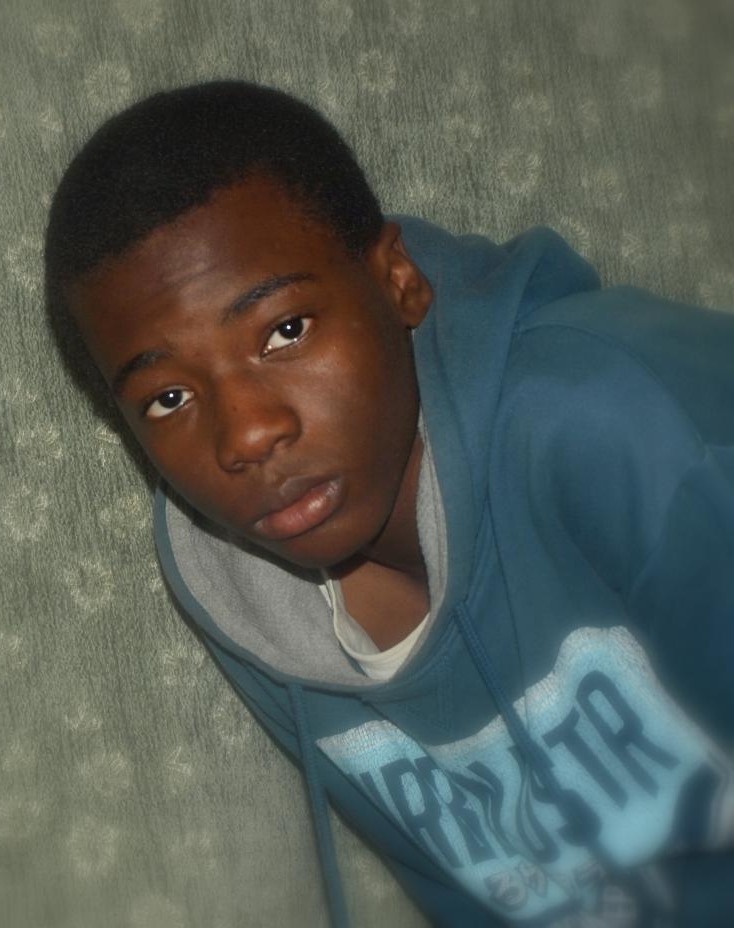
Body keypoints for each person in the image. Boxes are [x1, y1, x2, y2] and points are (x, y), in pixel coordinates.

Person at [43, 80, 734, 927]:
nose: (246, 434)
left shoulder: (613, 421)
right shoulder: (247, 597)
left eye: (284, 331)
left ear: (398, 280)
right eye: (168, 398)